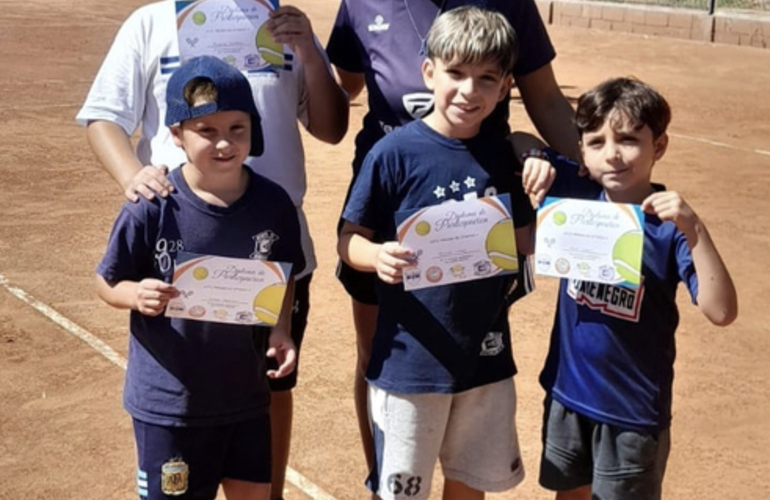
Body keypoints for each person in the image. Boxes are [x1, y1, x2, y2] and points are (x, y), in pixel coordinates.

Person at [76, 3, 348, 498]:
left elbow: (331, 128)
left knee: (268, 381)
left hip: (270, 246)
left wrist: (307, 49)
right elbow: (103, 115)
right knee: (188, 380)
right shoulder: (152, 21)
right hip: (183, 239)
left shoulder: (284, 21)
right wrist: (132, 176)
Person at [325, 0, 580, 469]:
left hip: (479, 205)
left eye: (484, 79)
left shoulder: (510, 5)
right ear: (430, 71)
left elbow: (545, 98)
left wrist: (589, 180)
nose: (468, 89)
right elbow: (345, 88)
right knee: (381, 355)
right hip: (386, 210)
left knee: (469, 340)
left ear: (501, 86)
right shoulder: (363, 4)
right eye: (455, 74)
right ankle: (384, 481)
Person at [514, 76, 739, 500]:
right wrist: (534, 158)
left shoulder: (669, 227)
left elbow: (721, 311)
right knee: (569, 493)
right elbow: (517, 137)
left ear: (660, 146)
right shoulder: (576, 192)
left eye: (629, 139)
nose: (612, 155)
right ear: (581, 150)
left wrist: (695, 228)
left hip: (631, 412)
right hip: (568, 393)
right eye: (596, 142)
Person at [95, 56, 306, 500]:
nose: (224, 144)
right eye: (206, 131)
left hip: (246, 397)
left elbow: (282, 274)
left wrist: (281, 328)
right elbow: (107, 281)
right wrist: (136, 294)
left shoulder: (274, 205)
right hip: (171, 406)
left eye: (237, 129)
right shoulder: (153, 205)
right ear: (176, 134)